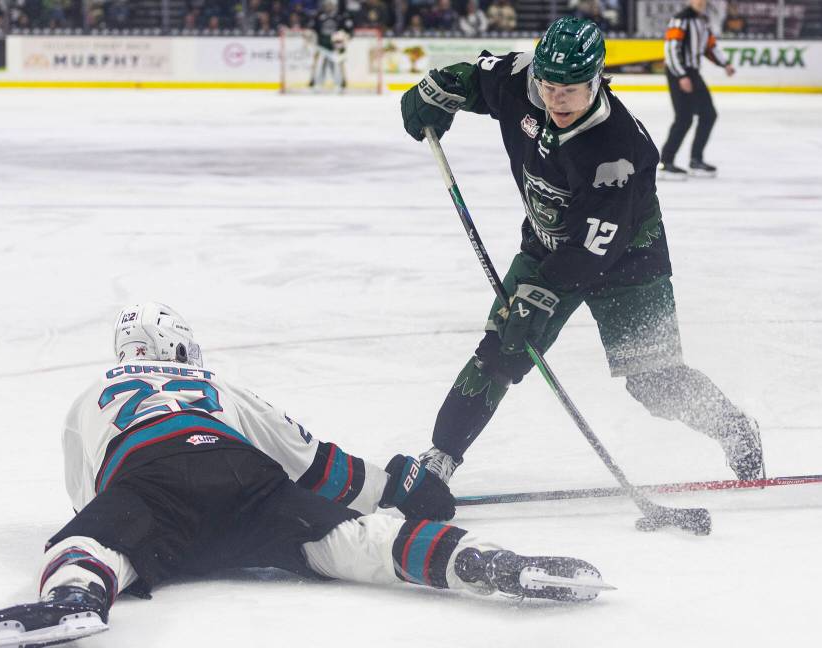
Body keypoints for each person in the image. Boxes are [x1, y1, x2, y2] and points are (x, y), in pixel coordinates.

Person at [0, 303, 611, 648]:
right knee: (361, 540)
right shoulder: (217, 384)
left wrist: (132, 531)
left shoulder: (93, 393)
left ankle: (77, 599)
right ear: (187, 351)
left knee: (94, 542)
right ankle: (483, 561)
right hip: (246, 481)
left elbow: (90, 497)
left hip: (152, 481)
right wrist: (399, 487)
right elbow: (315, 462)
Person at [399, 17, 762, 485]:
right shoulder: (522, 79)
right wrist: (435, 91)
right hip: (547, 239)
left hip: (629, 257)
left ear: (597, 79)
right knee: (501, 349)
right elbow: (474, 77)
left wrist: (541, 291)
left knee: (655, 382)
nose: (556, 99)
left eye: (570, 88)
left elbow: (597, 245)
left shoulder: (618, 148)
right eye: (548, 85)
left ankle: (735, 429)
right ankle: (441, 456)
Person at [659, 0, 735, 179]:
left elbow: (710, 46)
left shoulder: (703, 21)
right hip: (680, 73)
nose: (700, 2)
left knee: (708, 114)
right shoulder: (680, 20)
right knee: (684, 118)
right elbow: (671, 49)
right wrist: (681, 75)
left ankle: (696, 160)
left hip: (692, 73)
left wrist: (725, 63)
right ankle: (666, 162)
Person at [307, 0, 355, 92]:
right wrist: (310, 36)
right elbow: (312, 30)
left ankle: (342, 81)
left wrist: (344, 38)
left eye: (331, 4)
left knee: (340, 62)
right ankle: (314, 80)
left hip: (335, 46)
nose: (329, 6)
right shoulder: (319, 16)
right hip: (321, 45)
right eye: (327, 5)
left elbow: (347, 31)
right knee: (318, 62)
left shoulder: (340, 17)